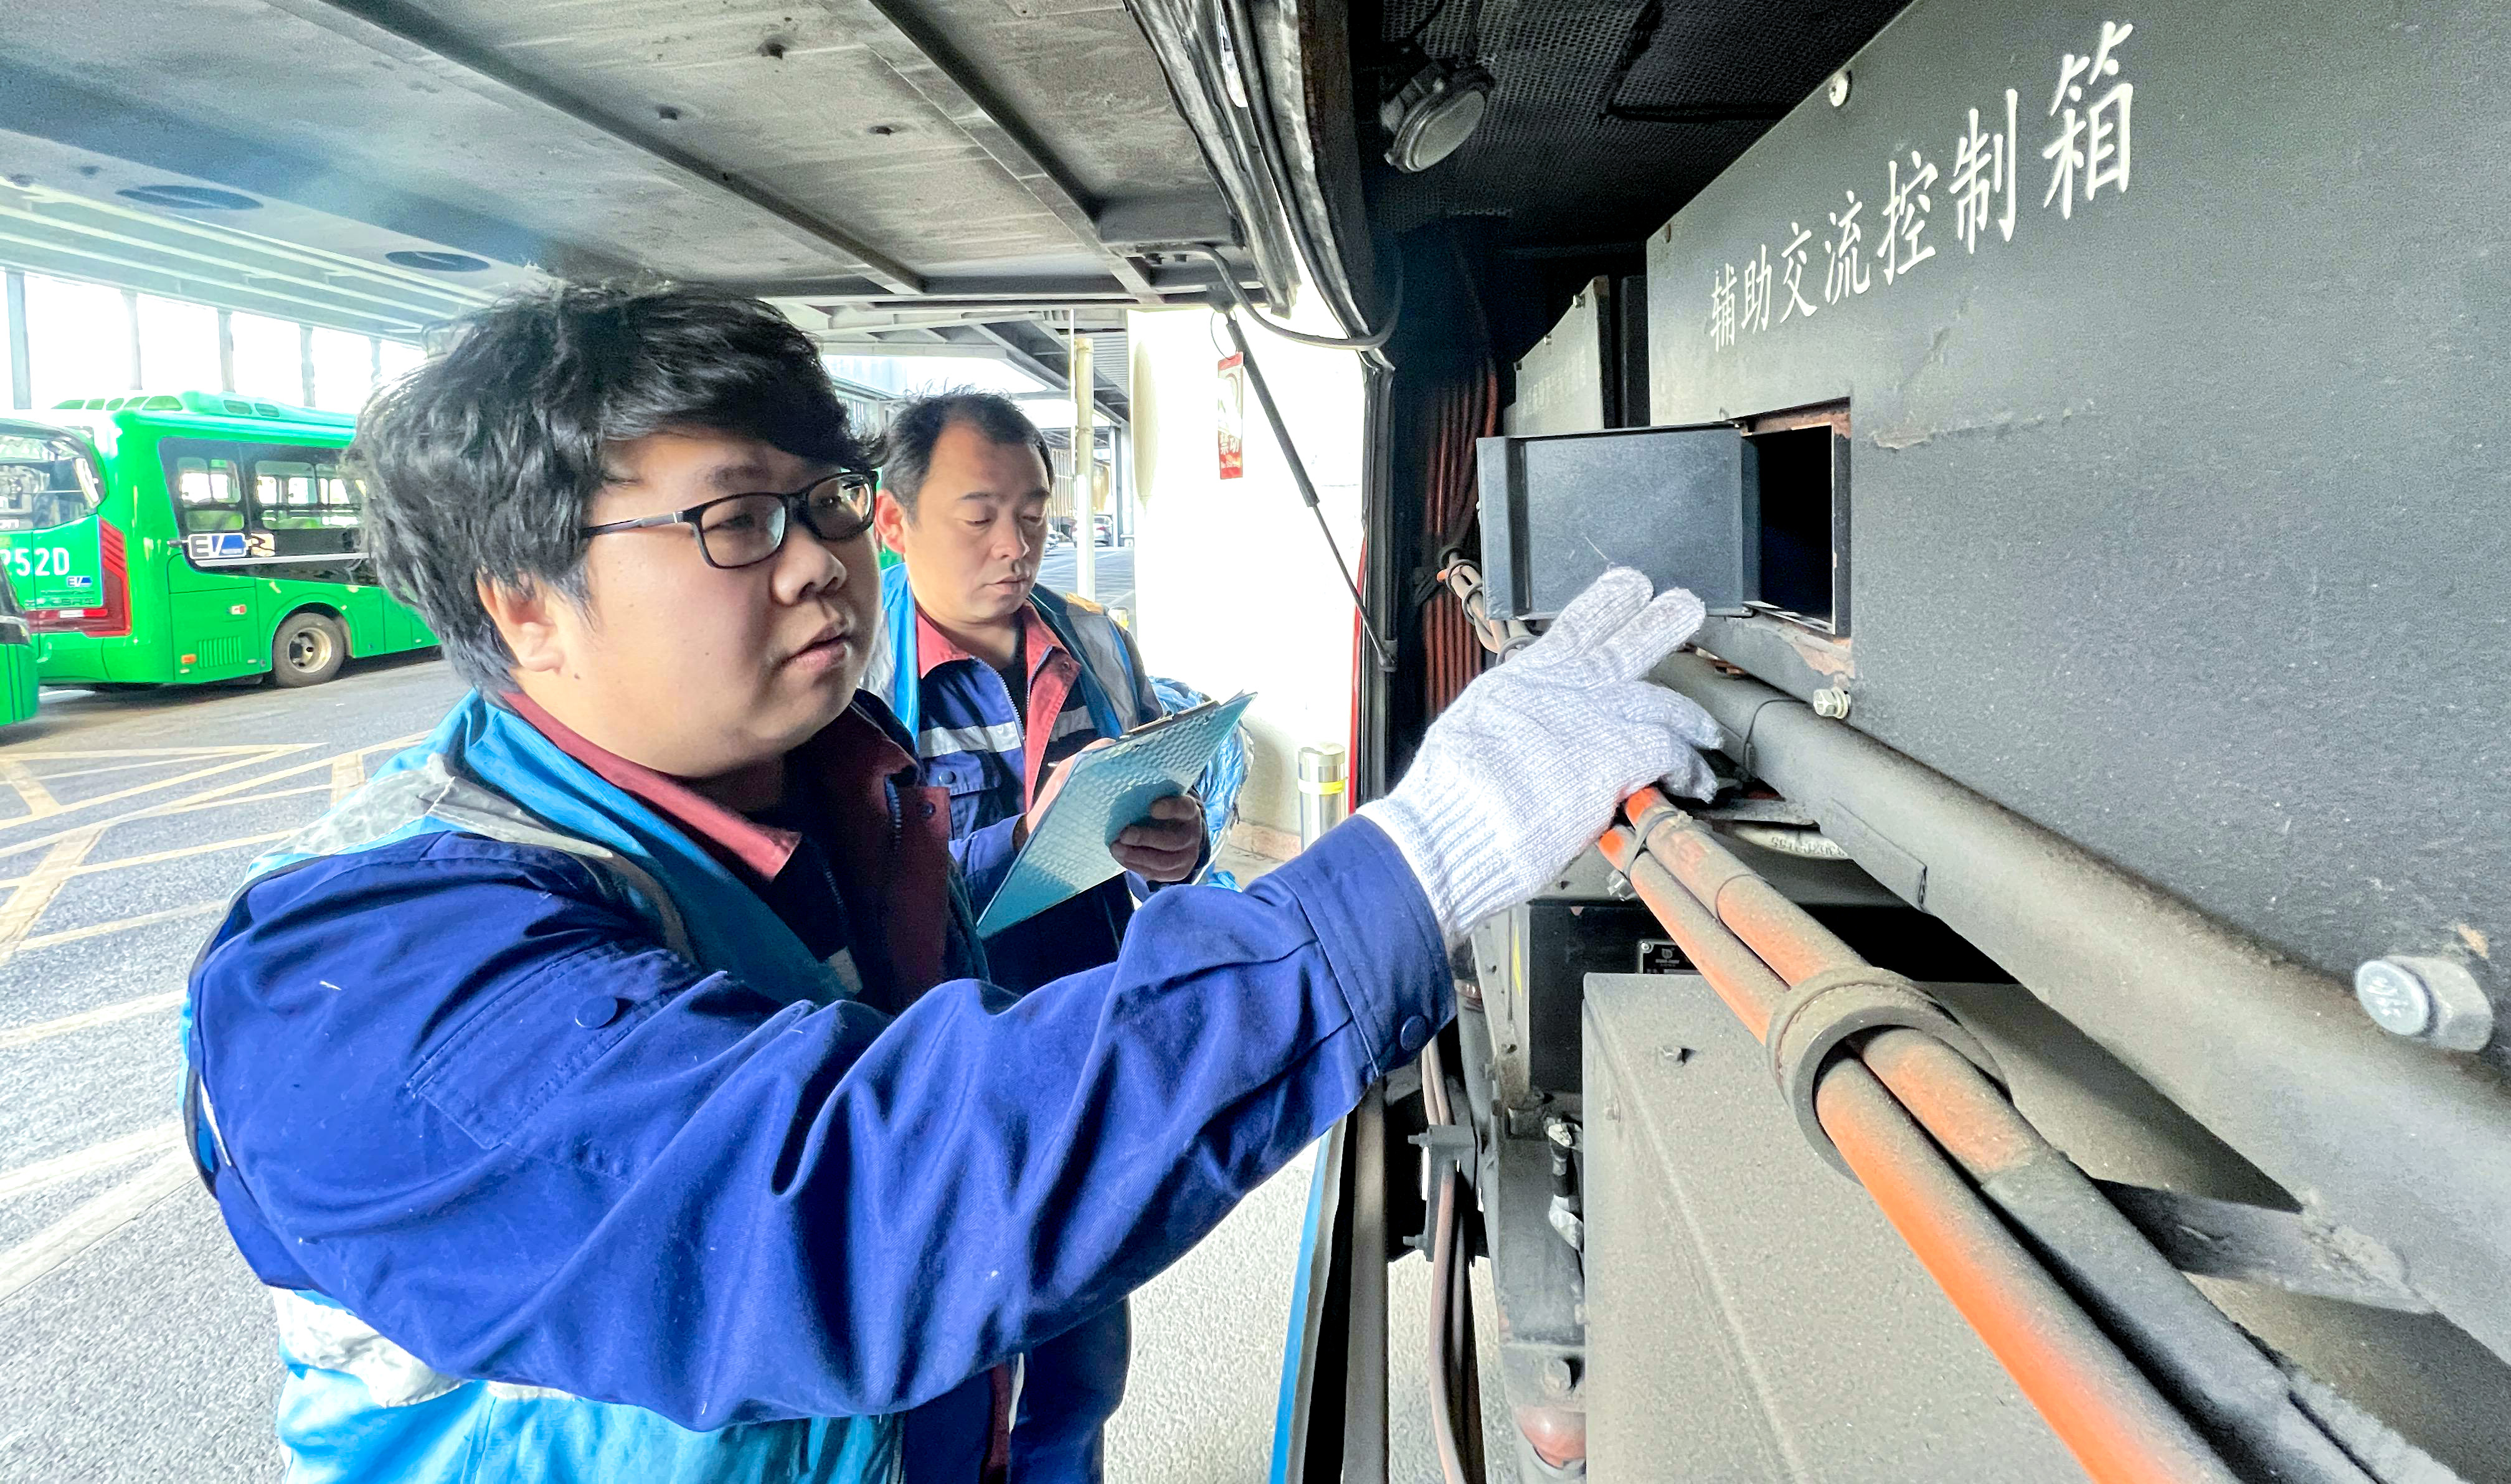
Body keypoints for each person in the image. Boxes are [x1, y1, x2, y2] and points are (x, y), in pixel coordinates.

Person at [179, 282, 1724, 1484]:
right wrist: (1411, 866)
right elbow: (849, 1207)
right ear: (525, 605)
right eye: (738, 519)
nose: (818, 561)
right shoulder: (372, 972)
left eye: (827, 501)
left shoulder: (835, 791)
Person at [868, 392, 1188, 1480]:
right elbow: (851, 884)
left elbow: (1150, 808)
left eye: (1036, 515)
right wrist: (1021, 839)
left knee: (1081, 1373)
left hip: (1088, 1048)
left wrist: (1173, 846)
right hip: (934, 1081)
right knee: (942, 1386)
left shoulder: (1094, 641)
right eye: (979, 516)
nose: (1015, 546)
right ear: (895, 523)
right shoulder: (851, 669)